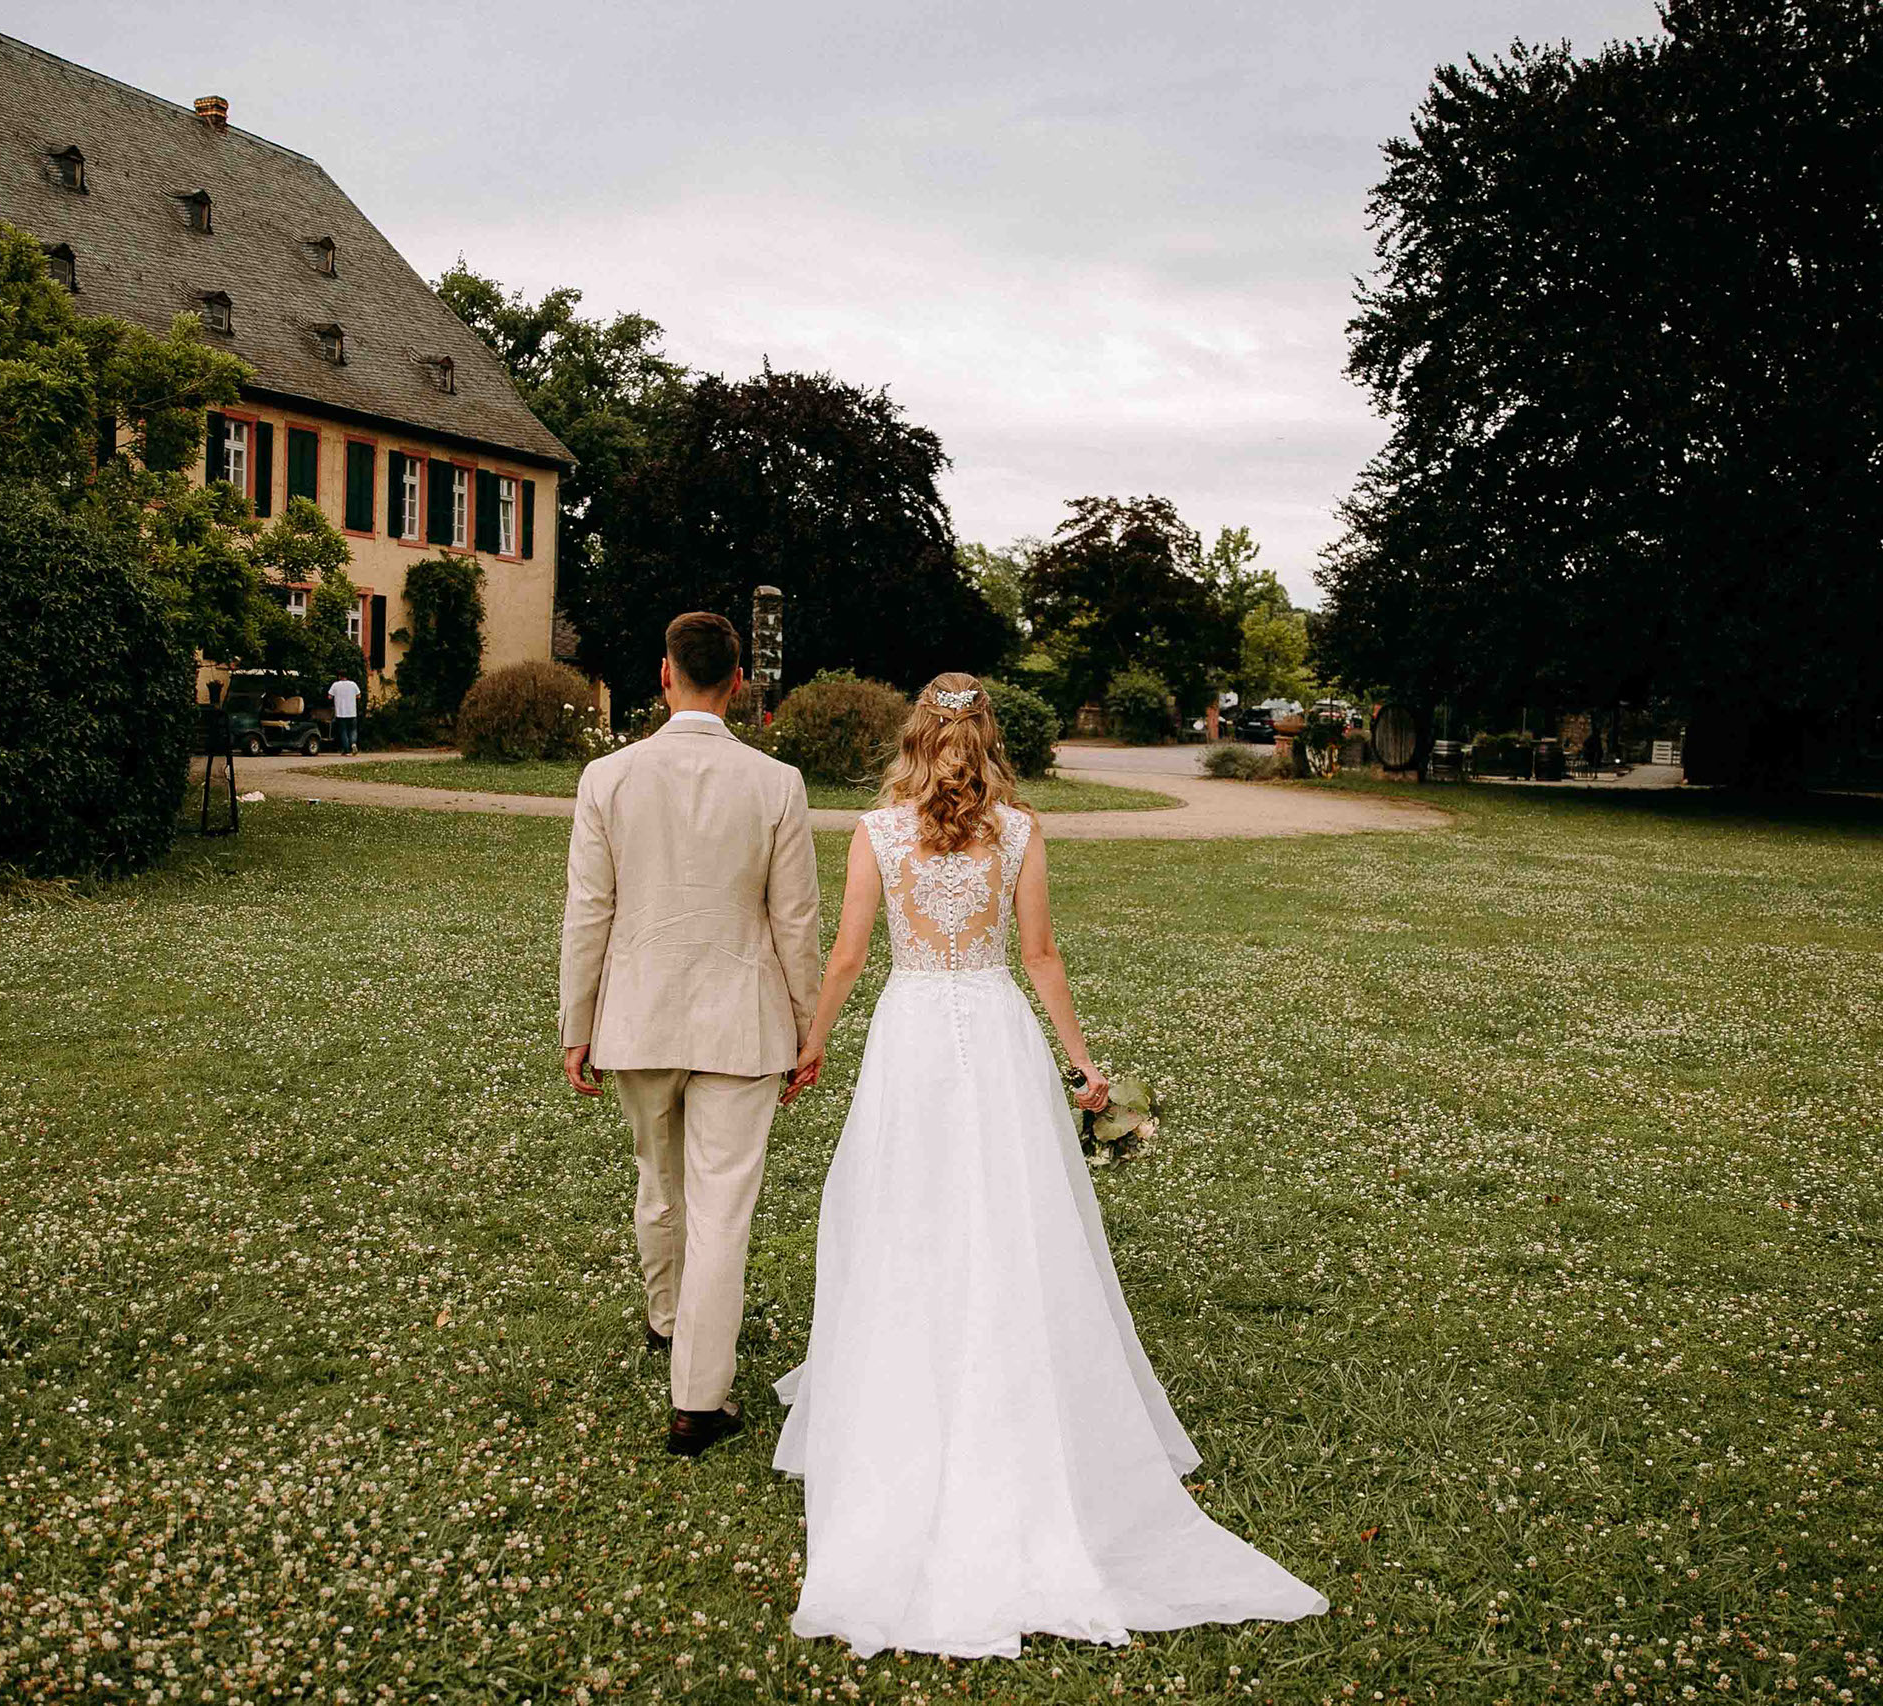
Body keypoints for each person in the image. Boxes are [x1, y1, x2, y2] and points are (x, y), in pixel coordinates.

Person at [771, 673, 1327, 1659]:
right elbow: (1040, 954)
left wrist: (813, 1041)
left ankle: (912, 1381)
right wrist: (1083, 1061)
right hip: (991, 1034)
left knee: (907, 1213)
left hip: (908, 1034)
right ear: (987, 737)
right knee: (1009, 1215)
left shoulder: (874, 830)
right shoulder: (1021, 832)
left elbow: (850, 954)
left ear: (916, 737)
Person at [558, 612, 823, 1457]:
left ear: (664, 675)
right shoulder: (776, 783)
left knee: (657, 1178)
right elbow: (795, 920)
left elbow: (587, 911)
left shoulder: (608, 776)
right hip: (742, 1024)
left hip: (636, 1016)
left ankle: (670, 1321)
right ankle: (698, 1398)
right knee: (722, 1207)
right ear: (738, 684)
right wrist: (807, 1023)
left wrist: (578, 1021)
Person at [328, 673, 361, 754]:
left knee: (343, 731)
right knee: (353, 730)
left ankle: (346, 750)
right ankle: (353, 744)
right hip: (352, 712)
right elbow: (359, 696)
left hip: (341, 712)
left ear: (339, 676)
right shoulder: (353, 684)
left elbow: (329, 696)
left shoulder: (335, 685)